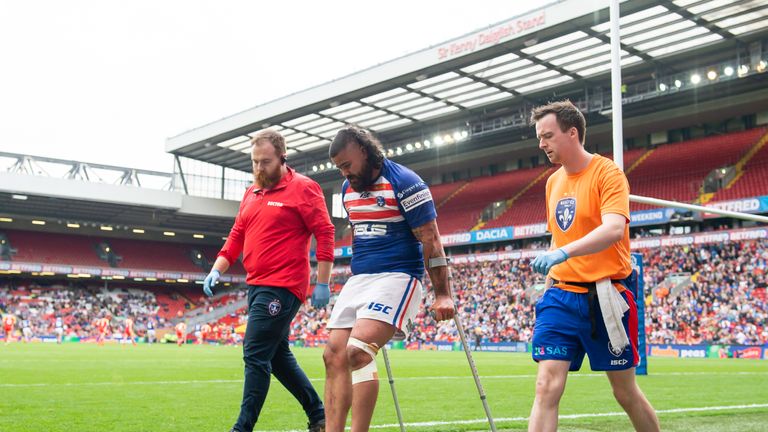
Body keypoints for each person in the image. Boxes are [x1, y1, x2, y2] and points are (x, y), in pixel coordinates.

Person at [527, 100, 659, 432]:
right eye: (539, 137)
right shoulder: (552, 182)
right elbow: (558, 238)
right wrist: (547, 290)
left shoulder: (608, 172)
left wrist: (563, 254)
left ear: (572, 133)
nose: (542, 144)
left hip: (605, 296)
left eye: (548, 136)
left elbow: (613, 228)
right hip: (560, 297)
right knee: (546, 386)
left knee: (625, 392)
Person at [324, 126, 455, 432]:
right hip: (361, 278)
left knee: (357, 351)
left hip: (398, 276)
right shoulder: (347, 191)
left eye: (347, 165)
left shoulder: (405, 183)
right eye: (339, 168)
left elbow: (431, 239)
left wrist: (443, 294)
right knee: (332, 353)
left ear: (364, 151)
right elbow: (360, 232)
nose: (345, 174)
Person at [202, 129, 334, 432]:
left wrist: (322, 281)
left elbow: (325, 231)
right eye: (254, 162)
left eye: (265, 162)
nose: (259, 169)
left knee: (254, 351)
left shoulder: (304, 188)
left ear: (282, 158)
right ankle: (318, 415)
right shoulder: (252, 192)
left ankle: (242, 428)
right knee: (277, 357)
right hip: (257, 283)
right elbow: (237, 234)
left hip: (284, 285)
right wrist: (217, 268)